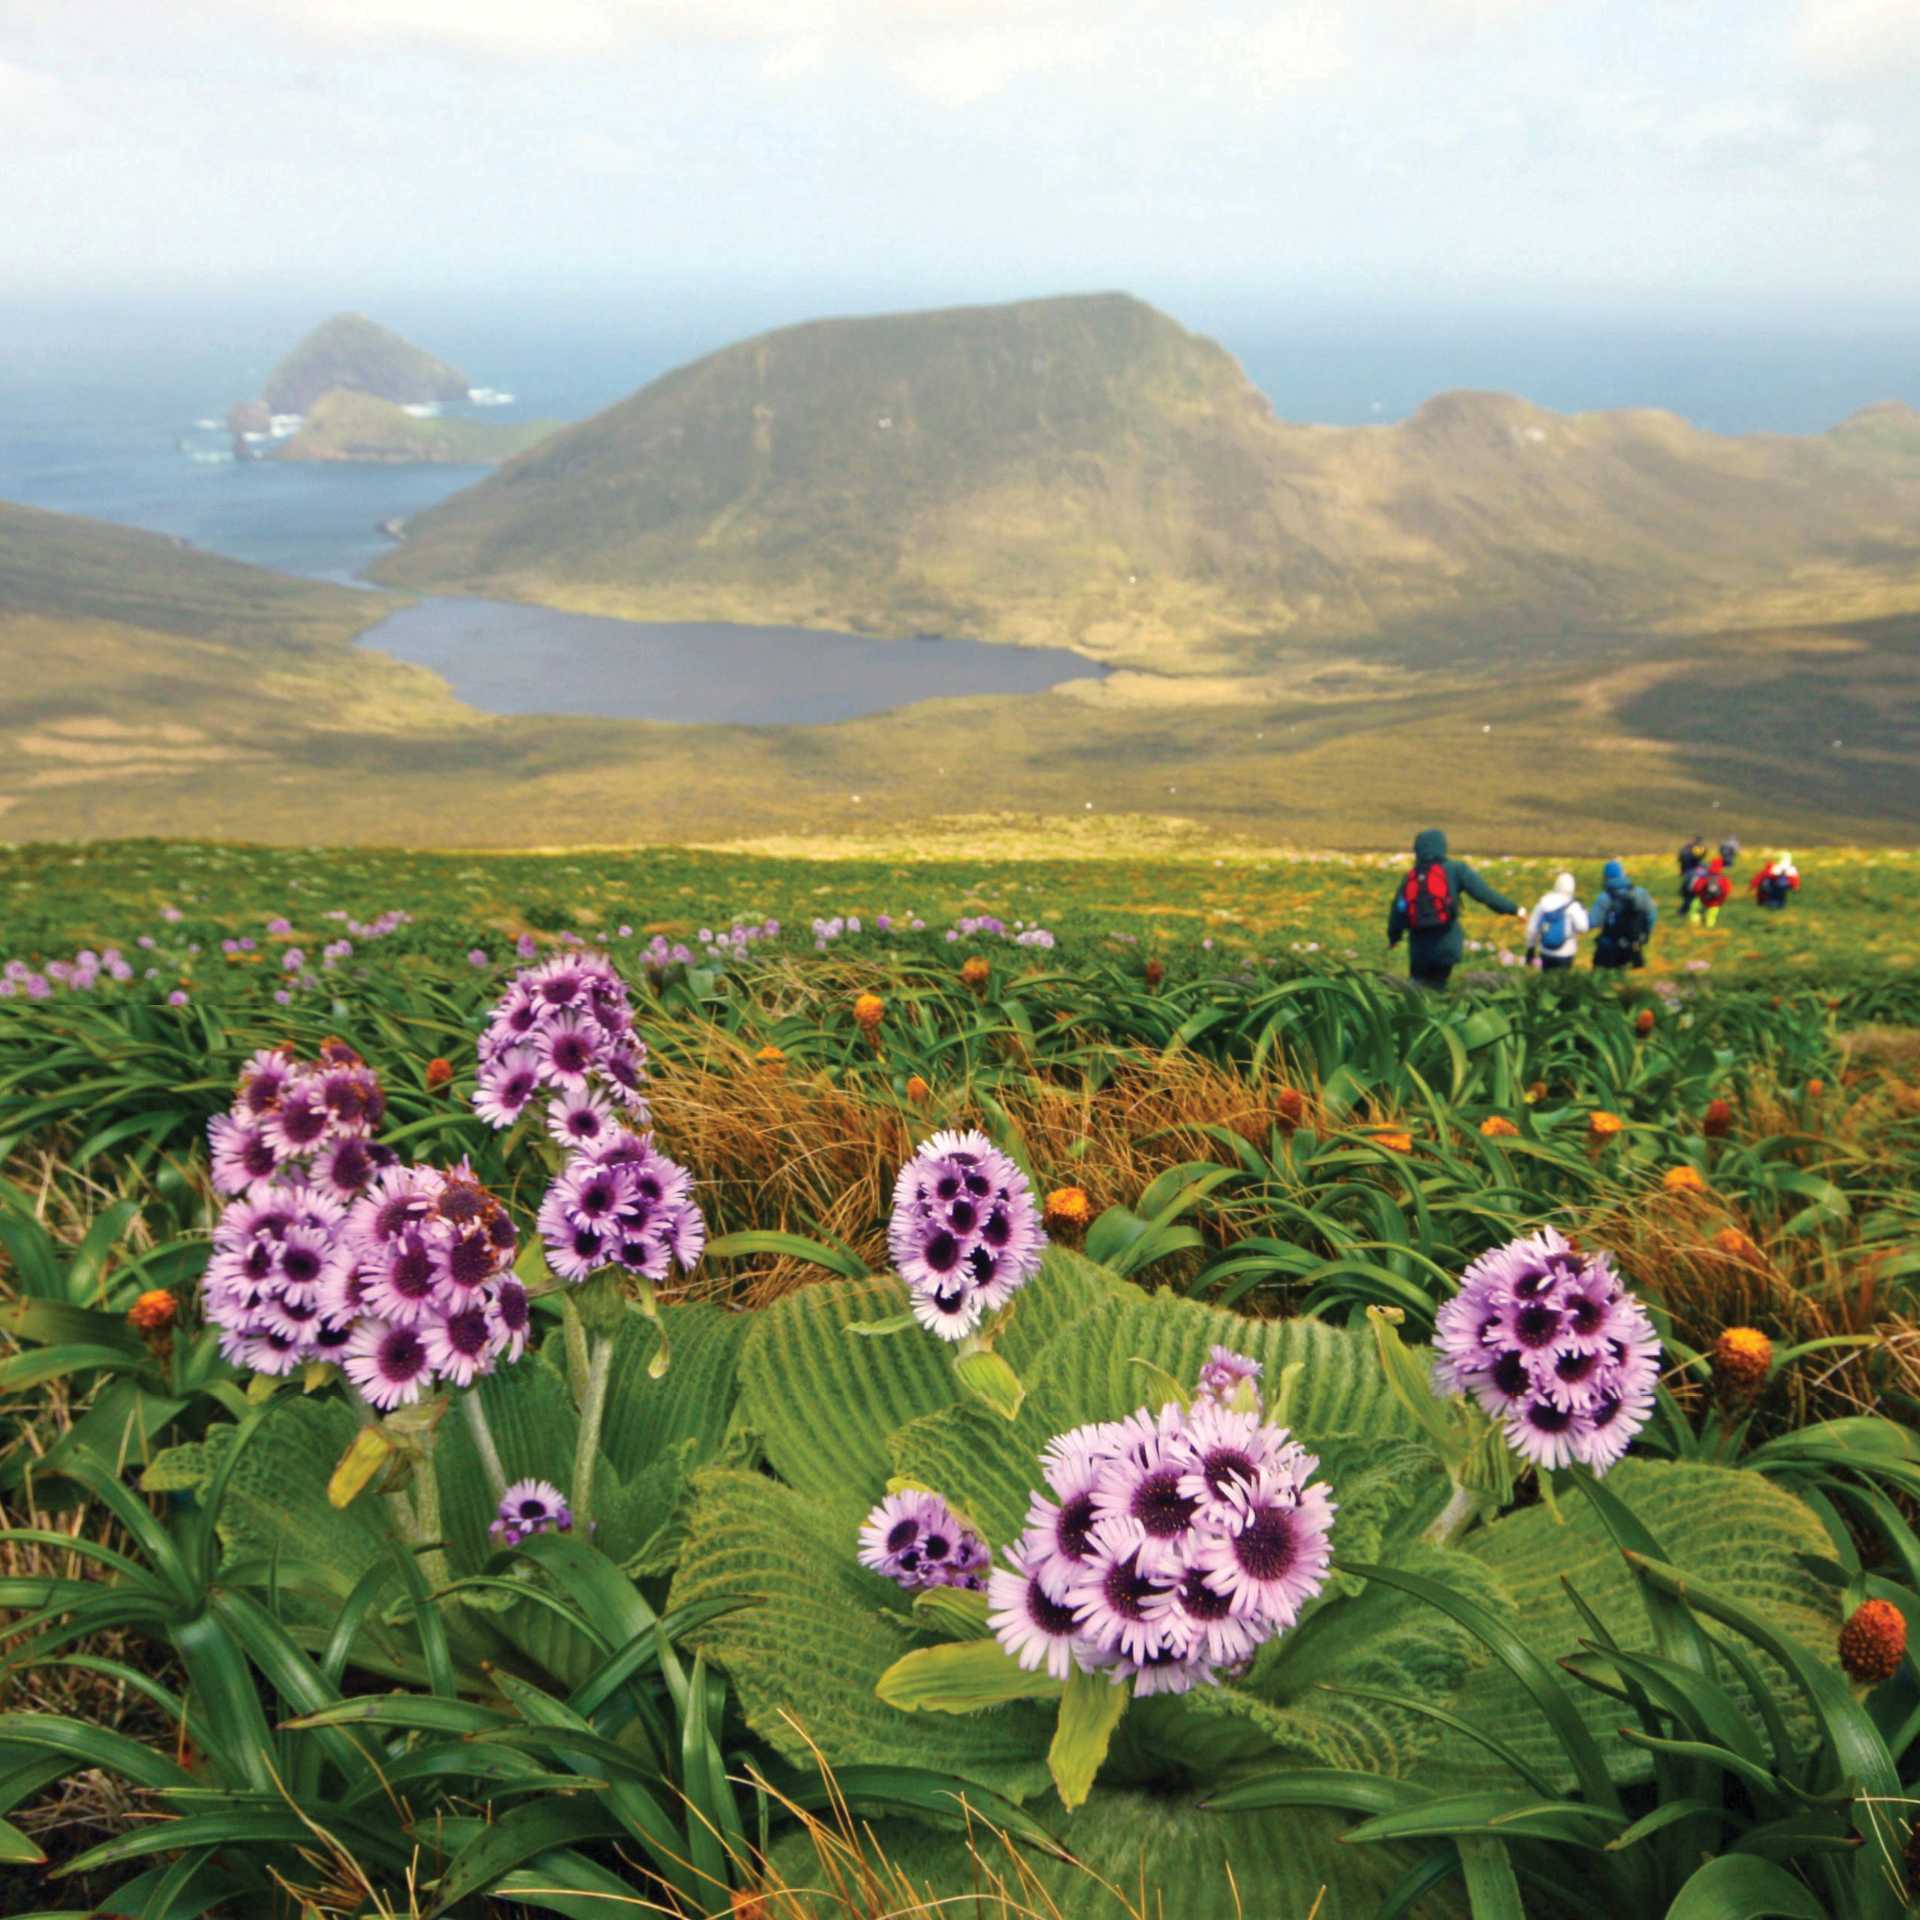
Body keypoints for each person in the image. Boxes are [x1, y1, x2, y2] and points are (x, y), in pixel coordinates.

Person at [1387, 828, 1523, 989]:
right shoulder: (1456, 869)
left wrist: (1394, 937)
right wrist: (1514, 909)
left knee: (1419, 990)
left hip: (1419, 950)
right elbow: (1484, 894)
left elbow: (1399, 910)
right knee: (1439, 987)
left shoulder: (1412, 876)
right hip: (1446, 944)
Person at [1590, 858, 1657, 969]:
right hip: (1633, 945)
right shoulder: (1641, 893)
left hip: (1609, 947)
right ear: (1623, 873)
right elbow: (1651, 915)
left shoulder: (1604, 897)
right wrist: (1645, 934)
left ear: (1605, 877)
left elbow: (1593, 921)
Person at [1526, 871, 1589, 971]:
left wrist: (1530, 948)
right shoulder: (1573, 905)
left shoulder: (1543, 902)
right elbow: (1583, 927)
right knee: (1563, 983)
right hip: (1566, 952)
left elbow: (1532, 928)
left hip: (1545, 951)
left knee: (1546, 981)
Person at [1687, 853, 1731, 928]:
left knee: (1695, 910)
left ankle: (1695, 925)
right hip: (1716, 902)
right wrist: (1721, 900)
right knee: (1711, 917)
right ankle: (1709, 928)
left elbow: (1696, 888)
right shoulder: (1724, 879)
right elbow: (1727, 891)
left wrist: (1698, 894)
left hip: (1702, 899)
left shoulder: (1704, 877)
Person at [1677, 834, 1707, 912]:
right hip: (1698, 869)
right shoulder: (1701, 848)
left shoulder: (1688, 848)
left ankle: (1684, 910)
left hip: (1690, 870)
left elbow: (1682, 858)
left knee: (1689, 891)